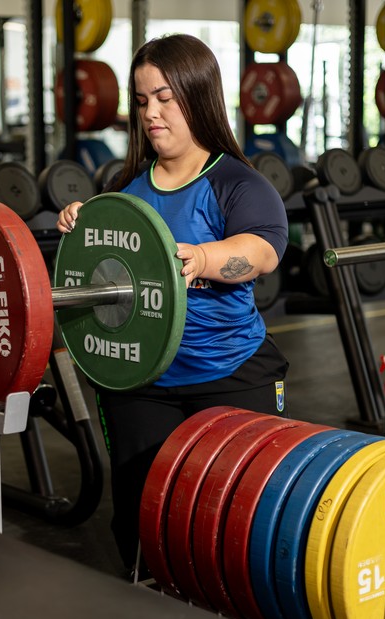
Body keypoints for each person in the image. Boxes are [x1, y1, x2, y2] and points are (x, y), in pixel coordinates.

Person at [56, 33, 290, 575]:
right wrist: (83, 223)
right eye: (142, 102)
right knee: (141, 521)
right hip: (145, 382)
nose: (151, 114)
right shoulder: (128, 191)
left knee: (239, 520)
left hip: (229, 372)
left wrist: (202, 259)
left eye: (165, 98)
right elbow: (103, 266)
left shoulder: (236, 182)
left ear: (198, 96)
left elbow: (260, 251)